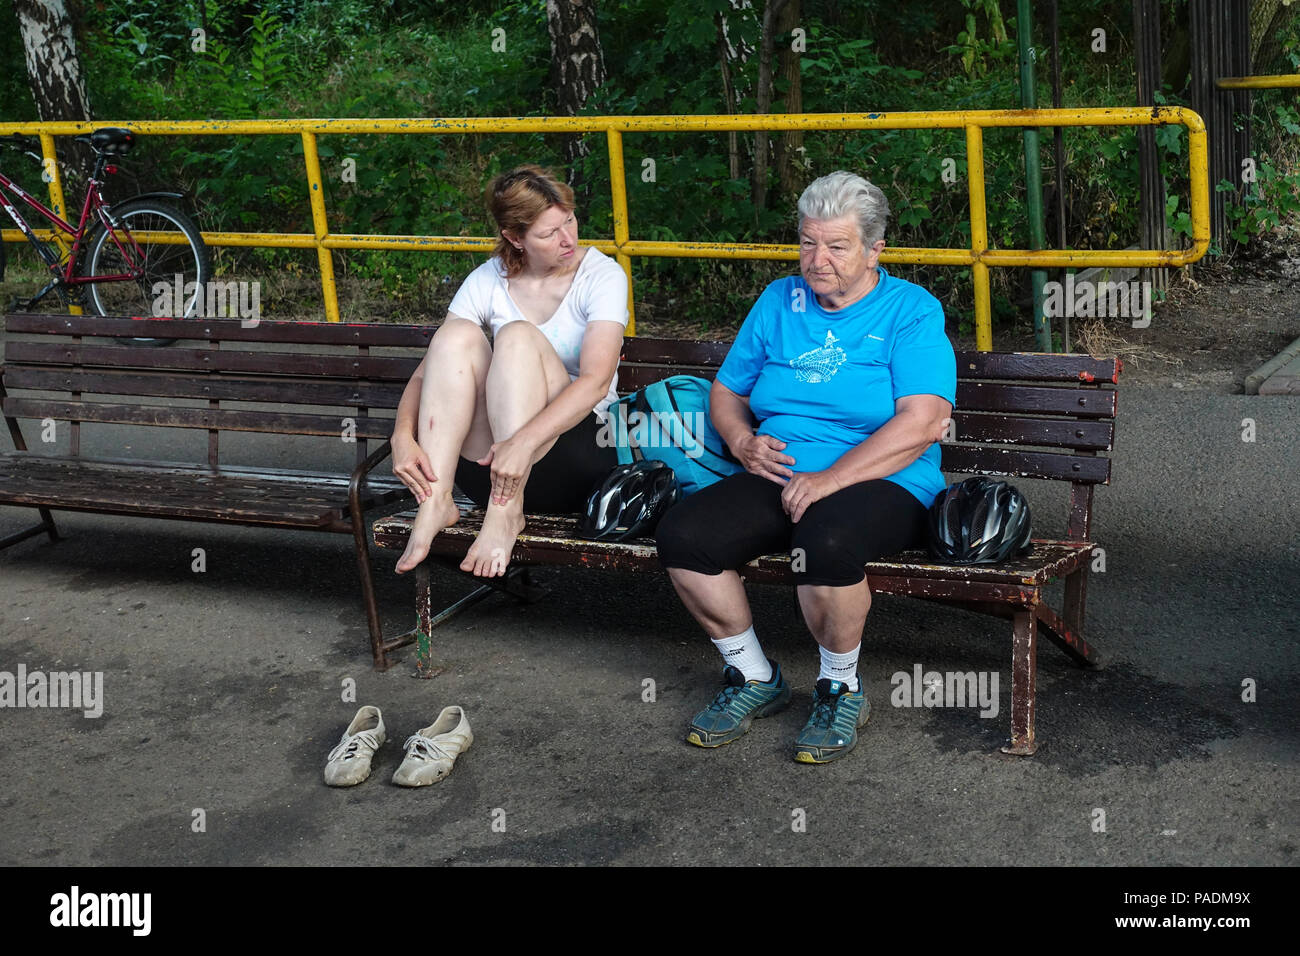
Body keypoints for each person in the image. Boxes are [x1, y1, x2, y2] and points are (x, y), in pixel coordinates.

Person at [655, 170, 957, 764]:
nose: (817, 261)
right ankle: (753, 676)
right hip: (781, 471)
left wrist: (831, 479)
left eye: (837, 246)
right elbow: (727, 391)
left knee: (825, 542)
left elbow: (923, 421)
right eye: (808, 242)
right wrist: (741, 441)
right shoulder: (780, 300)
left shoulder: (911, 311)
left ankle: (839, 686)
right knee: (684, 535)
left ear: (875, 250)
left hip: (885, 477)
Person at [389, 165, 628, 577]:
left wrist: (522, 442)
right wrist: (401, 436)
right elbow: (430, 371)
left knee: (517, 336)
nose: (568, 239)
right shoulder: (489, 278)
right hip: (488, 466)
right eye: (549, 233)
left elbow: (596, 382)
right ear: (515, 238)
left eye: (570, 221)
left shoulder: (602, 275)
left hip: (572, 457)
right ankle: (436, 500)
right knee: (454, 336)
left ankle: (505, 513)